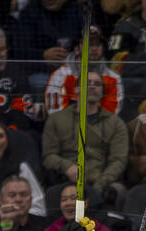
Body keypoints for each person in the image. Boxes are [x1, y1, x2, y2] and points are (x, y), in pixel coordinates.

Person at [40, 71, 128, 200]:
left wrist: (99, 186)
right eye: (87, 83)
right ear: (76, 89)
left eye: (97, 84)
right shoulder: (56, 119)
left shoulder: (116, 123)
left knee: (118, 191)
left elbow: (118, 161)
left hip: (101, 183)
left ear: (103, 92)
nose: (92, 86)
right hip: (64, 181)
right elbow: (48, 156)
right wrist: (67, 166)